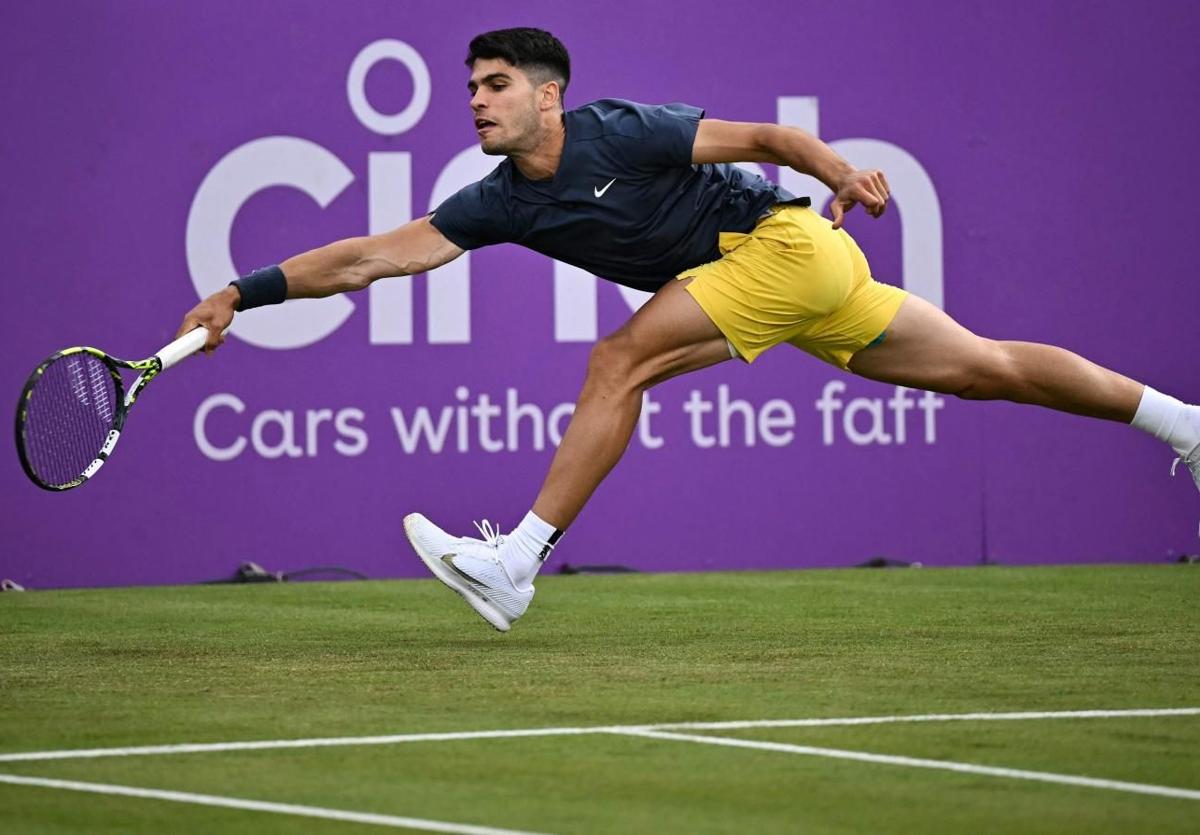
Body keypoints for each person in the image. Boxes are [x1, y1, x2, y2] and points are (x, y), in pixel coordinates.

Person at [177, 28, 1200, 632]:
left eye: (496, 87)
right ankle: (1183, 424)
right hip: (781, 279)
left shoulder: (619, 129)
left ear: (549, 95)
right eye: (472, 89)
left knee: (620, 357)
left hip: (790, 247)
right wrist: (241, 288)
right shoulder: (498, 200)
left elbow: (765, 136)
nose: (478, 102)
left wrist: (838, 169)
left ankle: (518, 562)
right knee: (986, 369)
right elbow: (368, 257)